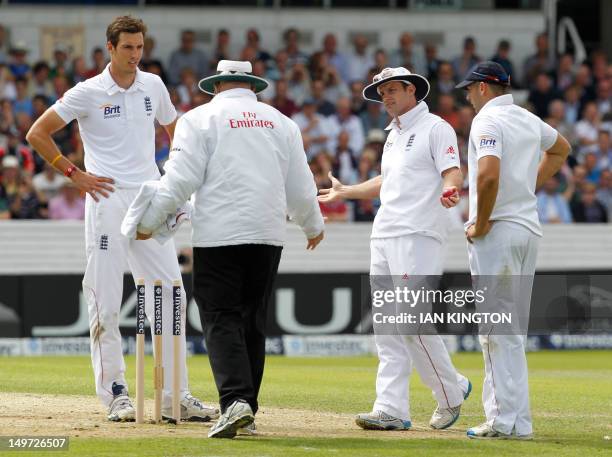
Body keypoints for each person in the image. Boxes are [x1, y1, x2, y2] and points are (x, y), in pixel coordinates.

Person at [25, 15, 218, 423]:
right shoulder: (88, 92)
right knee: (106, 298)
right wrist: (74, 174)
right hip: (107, 199)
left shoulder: (153, 85)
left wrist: (178, 176)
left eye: (140, 48)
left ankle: (174, 395)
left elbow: (175, 128)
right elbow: (37, 133)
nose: (135, 55)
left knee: (171, 294)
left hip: (149, 198)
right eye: (127, 48)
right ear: (110, 48)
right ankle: (115, 392)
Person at [129, 60, 325, 439]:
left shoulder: (199, 119)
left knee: (220, 316)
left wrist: (147, 223)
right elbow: (301, 183)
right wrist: (312, 224)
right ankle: (246, 407)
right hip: (268, 234)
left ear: (217, 86)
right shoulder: (282, 122)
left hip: (219, 234)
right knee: (253, 319)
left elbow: (180, 179)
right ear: (252, 86)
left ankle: (234, 400)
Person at [319, 66, 471, 432]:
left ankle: (450, 393)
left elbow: (452, 170)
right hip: (385, 233)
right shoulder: (392, 136)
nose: (385, 97)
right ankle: (391, 407)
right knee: (387, 328)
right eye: (381, 92)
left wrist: (451, 189)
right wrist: (347, 192)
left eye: (391, 90)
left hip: (419, 234)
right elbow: (389, 181)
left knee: (412, 322)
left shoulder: (436, 127)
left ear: (412, 90)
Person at [456, 61, 571, 439]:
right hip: (526, 229)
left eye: (470, 89)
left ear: (485, 88)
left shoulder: (487, 122)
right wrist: (525, 187)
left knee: (495, 331)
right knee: (511, 332)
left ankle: (502, 420)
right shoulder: (527, 118)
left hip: (500, 232)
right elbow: (561, 151)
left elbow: (487, 175)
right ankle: (518, 422)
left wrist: (484, 221)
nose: (468, 96)